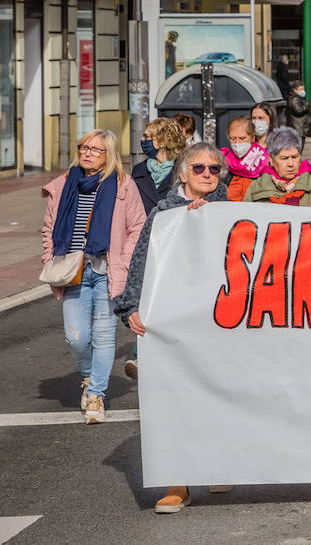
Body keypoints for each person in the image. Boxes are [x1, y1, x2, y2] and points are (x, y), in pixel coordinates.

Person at [112, 142, 229, 513]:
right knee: (173, 400)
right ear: (181, 174)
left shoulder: (231, 210)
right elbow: (142, 261)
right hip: (174, 322)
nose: (208, 174)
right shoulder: (163, 212)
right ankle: (178, 483)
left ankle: (219, 463)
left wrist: (212, 217)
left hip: (220, 321)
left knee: (220, 394)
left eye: (214, 169)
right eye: (199, 168)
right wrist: (129, 306)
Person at [40, 129, 146, 425]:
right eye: (84, 147)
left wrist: (124, 262)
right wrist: (50, 257)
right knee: (75, 337)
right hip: (73, 270)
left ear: (109, 154)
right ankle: (88, 376)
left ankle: (96, 394)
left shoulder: (124, 186)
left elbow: (138, 227)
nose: (87, 152)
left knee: (103, 335)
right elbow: (49, 226)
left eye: (95, 149)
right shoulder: (64, 183)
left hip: (107, 270)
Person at [246, 128, 311, 206]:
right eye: (284, 158)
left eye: (295, 157)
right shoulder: (256, 187)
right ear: (271, 159)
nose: (291, 164)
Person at [132, 118, 186, 213]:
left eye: (146, 136)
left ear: (162, 141)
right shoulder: (139, 170)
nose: (142, 140)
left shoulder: (183, 170)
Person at [221, 116, 270, 200]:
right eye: (232, 138)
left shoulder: (263, 157)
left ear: (252, 137)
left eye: (242, 138)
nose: (237, 143)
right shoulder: (223, 158)